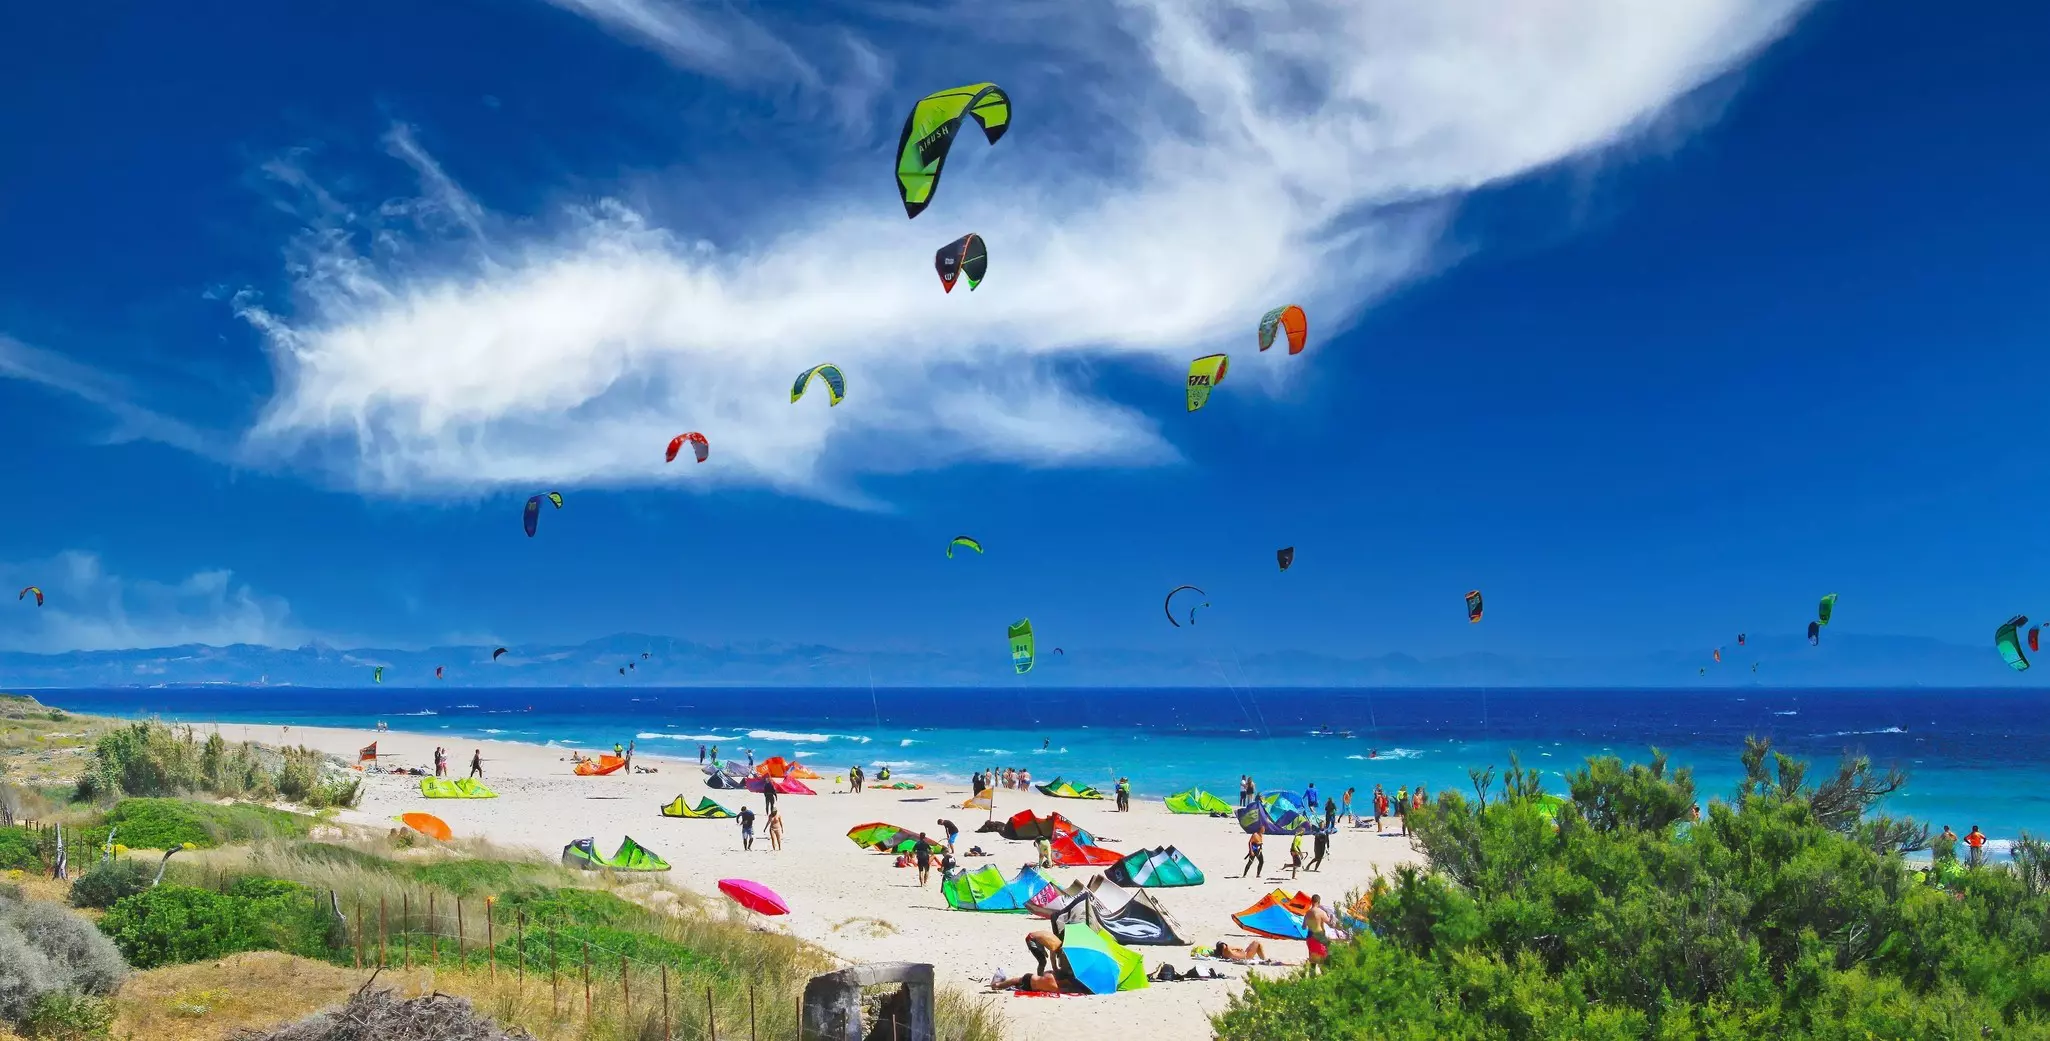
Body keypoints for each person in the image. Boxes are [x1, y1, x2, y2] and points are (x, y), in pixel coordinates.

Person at [1304, 894, 1335, 974]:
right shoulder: (1321, 912)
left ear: (1311, 901)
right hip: (1319, 935)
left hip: (1310, 936)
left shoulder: (1307, 913)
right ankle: (1325, 975)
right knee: (1325, 955)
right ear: (1318, 902)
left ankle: (1312, 976)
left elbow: (1304, 927)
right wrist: (1331, 919)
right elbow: (1330, 923)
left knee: (1312, 958)